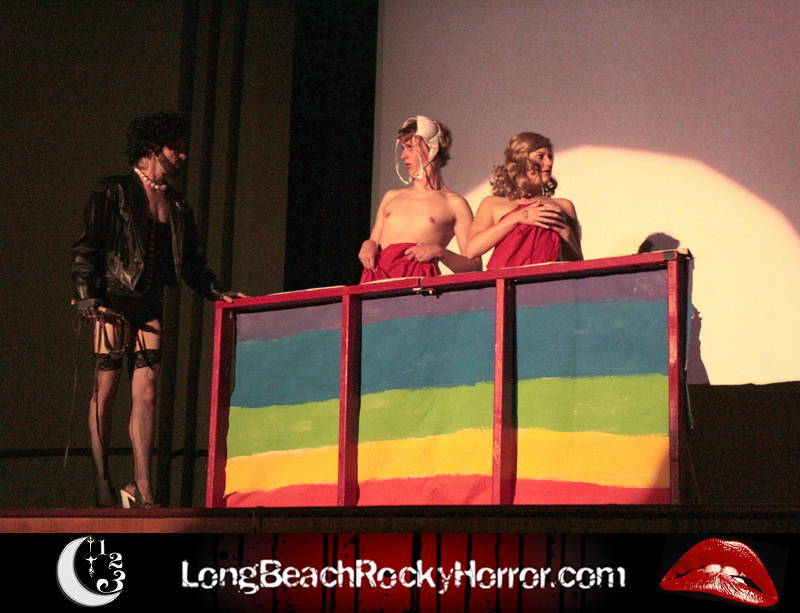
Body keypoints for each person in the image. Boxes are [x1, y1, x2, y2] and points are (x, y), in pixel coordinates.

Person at [71, 111, 244, 508]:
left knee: (146, 394)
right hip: (112, 300)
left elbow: (193, 263)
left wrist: (218, 292)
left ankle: (142, 485)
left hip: (149, 303)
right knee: (106, 390)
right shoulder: (113, 190)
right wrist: (86, 295)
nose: (182, 156)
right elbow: (87, 246)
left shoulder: (177, 203)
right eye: (175, 148)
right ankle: (102, 482)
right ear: (152, 148)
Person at [358, 115, 480, 281]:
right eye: (403, 148)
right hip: (378, 282)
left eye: (410, 147)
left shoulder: (454, 203)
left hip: (417, 286)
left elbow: (474, 266)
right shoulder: (391, 197)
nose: (403, 155)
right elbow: (373, 241)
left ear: (432, 148)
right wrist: (368, 244)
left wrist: (440, 252)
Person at [465, 132, 582, 268]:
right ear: (521, 160)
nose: (549, 163)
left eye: (550, 157)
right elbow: (471, 250)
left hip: (550, 278)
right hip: (507, 279)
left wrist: (566, 233)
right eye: (540, 156)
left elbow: (578, 262)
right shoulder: (493, 204)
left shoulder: (564, 206)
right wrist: (518, 217)